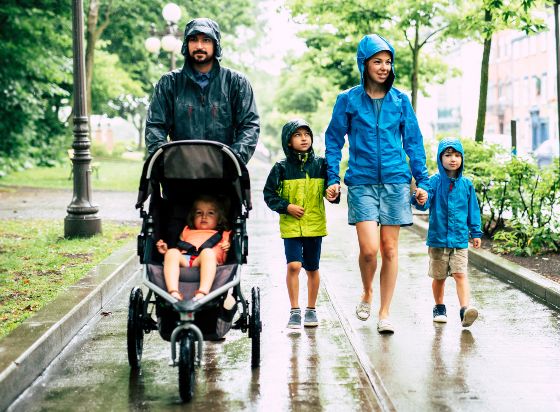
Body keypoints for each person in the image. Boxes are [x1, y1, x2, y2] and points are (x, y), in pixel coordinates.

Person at [325, 34, 430, 334]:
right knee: (370, 250)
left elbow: (413, 141)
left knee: (390, 249)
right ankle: (367, 291)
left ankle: (384, 312)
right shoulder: (348, 100)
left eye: (388, 62)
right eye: (377, 62)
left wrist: (421, 180)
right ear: (364, 64)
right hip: (362, 182)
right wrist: (333, 177)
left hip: (396, 182)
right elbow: (333, 140)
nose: (384, 67)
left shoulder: (400, 101)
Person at [145, 18, 260, 164]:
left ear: (215, 44)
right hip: (179, 175)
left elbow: (249, 126)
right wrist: (168, 161)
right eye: (193, 39)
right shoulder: (169, 83)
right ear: (186, 44)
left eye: (206, 40)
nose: (199, 46)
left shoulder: (236, 83)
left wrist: (232, 160)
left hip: (224, 177)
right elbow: (155, 126)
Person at [263, 119, 339, 329]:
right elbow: (269, 194)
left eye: (307, 134)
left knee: (312, 268)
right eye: (297, 135)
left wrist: (332, 193)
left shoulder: (321, 164)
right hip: (291, 227)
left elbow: (330, 189)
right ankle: (295, 310)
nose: (304, 138)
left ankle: (311, 309)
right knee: (294, 265)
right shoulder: (281, 168)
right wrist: (286, 206)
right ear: (288, 142)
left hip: (314, 225)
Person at [413, 137, 482, 327]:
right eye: (448, 155)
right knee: (439, 277)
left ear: (462, 159)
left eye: (457, 155)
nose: (453, 159)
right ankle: (439, 306)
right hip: (438, 239)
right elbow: (424, 202)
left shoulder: (466, 184)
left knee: (460, 274)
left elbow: (473, 210)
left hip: (459, 239)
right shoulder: (434, 182)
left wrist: (476, 233)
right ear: (440, 158)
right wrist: (418, 197)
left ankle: (464, 310)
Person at [156, 195, 231, 301]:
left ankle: (202, 292)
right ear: (193, 217)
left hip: (207, 262)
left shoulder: (224, 235)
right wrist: (166, 252)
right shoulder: (186, 231)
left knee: (207, 252)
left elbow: (225, 256)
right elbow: (180, 250)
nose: (204, 216)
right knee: (172, 252)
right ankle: (173, 292)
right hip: (186, 259)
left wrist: (227, 248)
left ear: (219, 219)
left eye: (210, 213)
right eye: (199, 213)